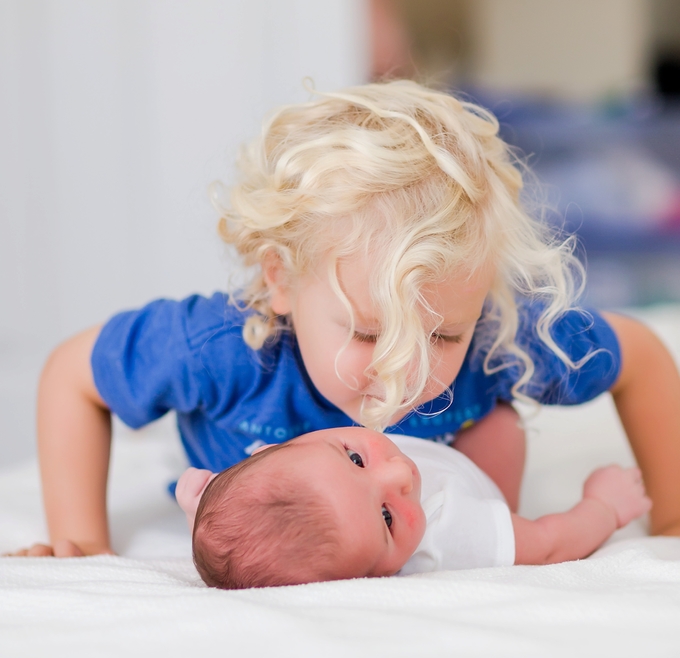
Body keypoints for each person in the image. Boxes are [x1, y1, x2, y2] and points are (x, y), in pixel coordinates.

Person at [13, 80, 680, 559]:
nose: (406, 370)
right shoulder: (225, 348)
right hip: (265, 523)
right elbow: (75, 374)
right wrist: (81, 541)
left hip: (448, 506)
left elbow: (643, 355)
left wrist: (671, 516)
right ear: (279, 280)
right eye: (367, 332)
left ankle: (485, 527)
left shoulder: (497, 338)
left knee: (498, 423)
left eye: (443, 334)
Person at [175, 426, 652, 589]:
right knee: (499, 422)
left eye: (354, 457)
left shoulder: (287, 468)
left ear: (270, 446)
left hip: (432, 450)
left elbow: (249, 521)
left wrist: (204, 505)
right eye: (386, 517)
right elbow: (550, 545)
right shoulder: (451, 533)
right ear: (375, 577)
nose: (399, 475)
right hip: (474, 481)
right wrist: (605, 505)